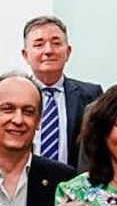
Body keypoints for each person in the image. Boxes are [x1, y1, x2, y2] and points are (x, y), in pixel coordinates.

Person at [0, 71, 79, 206]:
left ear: (39, 121)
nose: (18, 120)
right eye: (8, 109)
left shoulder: (63, 179)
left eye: (28, 112)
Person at [21, 15, 102, 167]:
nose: (48, 51)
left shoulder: (91, 95)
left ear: (68, 52)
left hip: (75, 185)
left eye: (56, 43)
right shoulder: (13, 96)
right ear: (25, 55)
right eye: (39, 45)